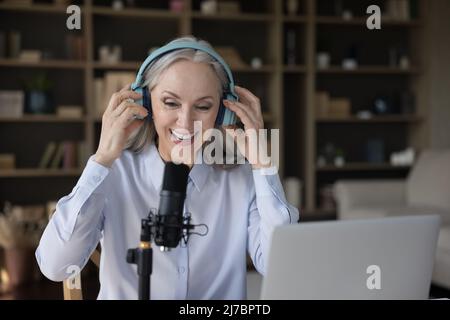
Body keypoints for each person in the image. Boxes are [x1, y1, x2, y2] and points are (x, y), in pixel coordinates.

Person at [35, 36, 299, 299]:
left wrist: (263, 164)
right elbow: (56, 266)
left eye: (203, 106)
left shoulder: (241, 179)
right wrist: (102, 159)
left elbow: (285, 270)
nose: (185, 122)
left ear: (223, 112)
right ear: (145, 104)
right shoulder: (115, 172)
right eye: (170, 103)